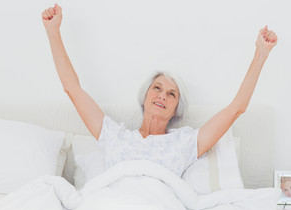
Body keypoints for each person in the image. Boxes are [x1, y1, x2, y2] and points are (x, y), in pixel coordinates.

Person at [42, 4, 278, 177]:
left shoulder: (185, 142)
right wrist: (53, 32)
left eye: (171, 94)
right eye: (157, 88)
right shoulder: (115, 135)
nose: (162, 95)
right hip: (115, 206)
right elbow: (72, 89)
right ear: (145, 96)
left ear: (176, 109)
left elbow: (237, 109)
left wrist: (261, 54)